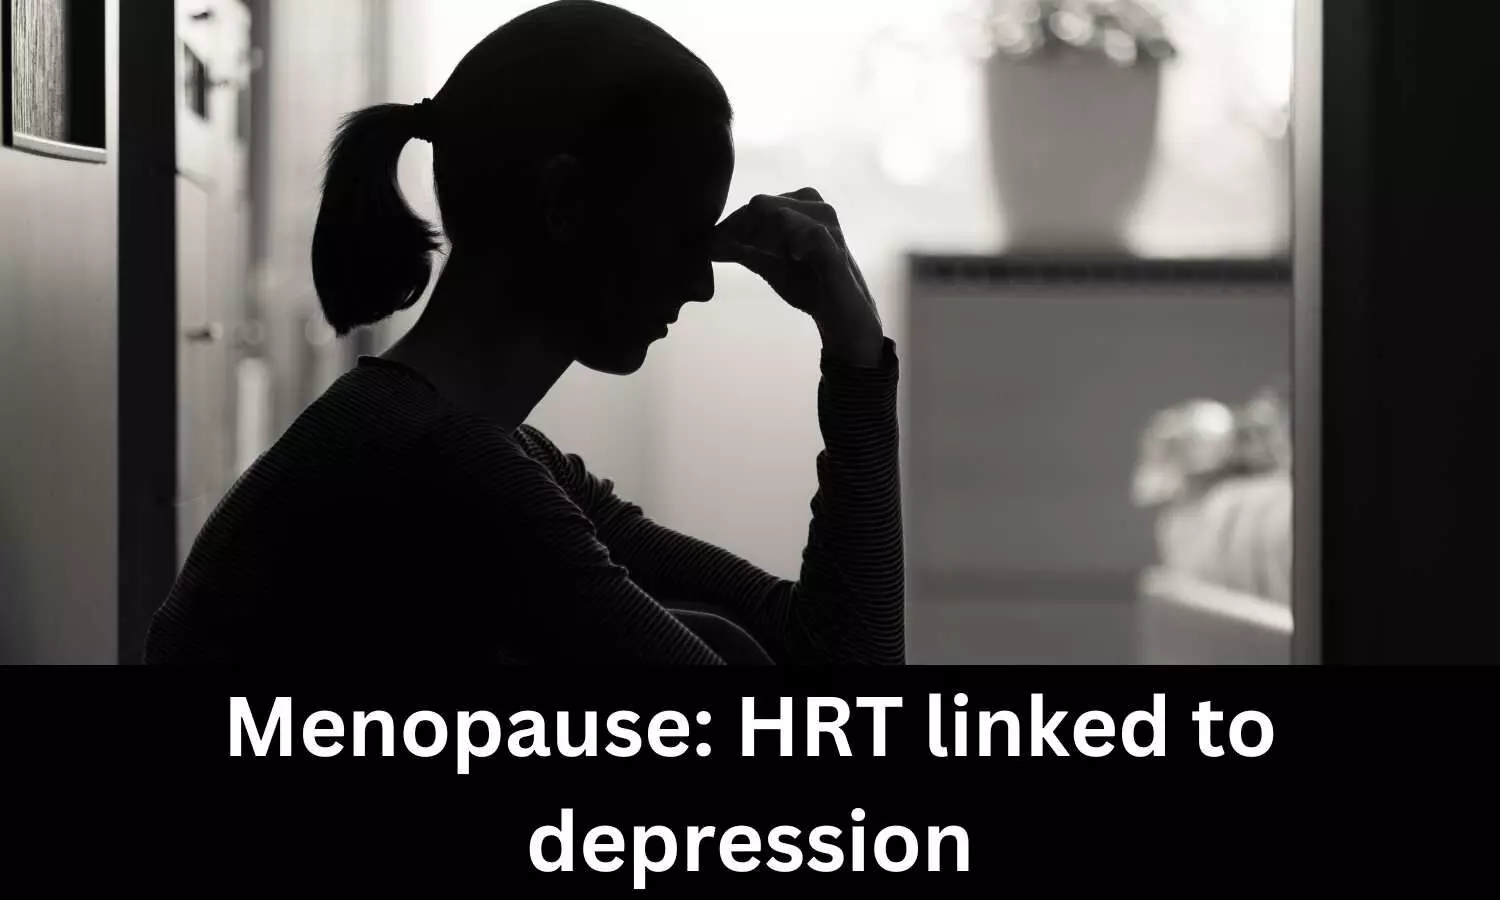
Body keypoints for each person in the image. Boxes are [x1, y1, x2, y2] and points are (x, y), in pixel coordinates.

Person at [143, 0, 904, 665]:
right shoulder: (451, 474)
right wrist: (858, 369)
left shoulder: (468, 449)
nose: (700, 284)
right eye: (684, 235)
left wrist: (856, 356)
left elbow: (825, 653)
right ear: (564, 203)